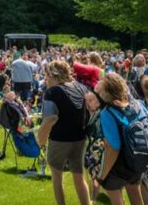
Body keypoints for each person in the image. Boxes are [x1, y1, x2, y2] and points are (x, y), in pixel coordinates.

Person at [36, 60, 90, 205]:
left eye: (47, 75)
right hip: (80, 138)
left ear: (51, 74)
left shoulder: (53, 92)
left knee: (57, 178)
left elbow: (50, 118)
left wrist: (40, 137)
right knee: (79, 177)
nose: (45, 78)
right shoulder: (82, 88)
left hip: (59, 140)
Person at [94, 72, 148, 205]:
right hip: (138, 160)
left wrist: (102, 176)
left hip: (121, 165)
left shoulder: (107, 113)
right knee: (134, 192)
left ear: (105, 93)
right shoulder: (137, 104)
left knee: (115, 195)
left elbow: (114, 147)